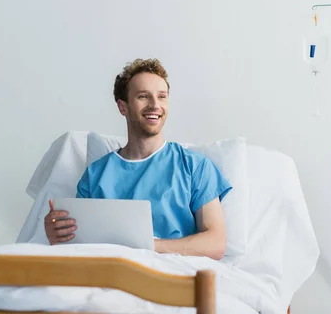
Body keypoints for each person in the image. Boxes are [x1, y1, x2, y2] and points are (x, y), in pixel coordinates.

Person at [43, 58, 232, 260]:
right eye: (143, 96)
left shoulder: (195, 167)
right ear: (123, 107)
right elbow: (80, 244)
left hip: (174, 273)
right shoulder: (95, 175)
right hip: (111, 275)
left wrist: (149, 246)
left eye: (162, 97)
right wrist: (57, 233)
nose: (155, 105)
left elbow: (215, 244)